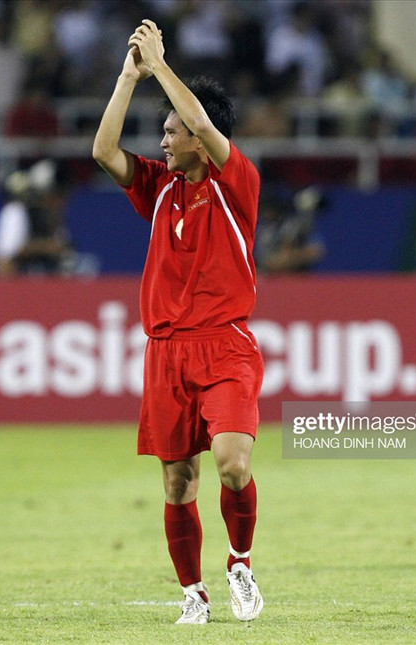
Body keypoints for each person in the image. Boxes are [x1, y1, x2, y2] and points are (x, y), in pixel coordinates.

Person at [92, 19, 264, 625]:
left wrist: (162, 66)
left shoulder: (237, 183)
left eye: (171, 131)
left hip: (225, 347)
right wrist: (128, 75)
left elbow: (206, 125)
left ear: (197, 136)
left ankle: (239, 564)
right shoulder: (160, 188)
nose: (163, 141)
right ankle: (194, 594)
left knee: (233, 464)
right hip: (166, 352)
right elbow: (103, 151)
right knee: (177, 483)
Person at [0, 159, 74, 276]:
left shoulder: (55, 221)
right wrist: (44, 247)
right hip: (22, 290)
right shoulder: (16, 211)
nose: (62, 202)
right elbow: (3, 262)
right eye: (59, 195)